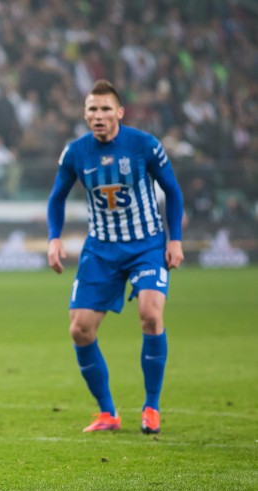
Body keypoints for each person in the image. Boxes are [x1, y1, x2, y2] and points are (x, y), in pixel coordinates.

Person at [46, 80, 184, 435]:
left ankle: (151, 407)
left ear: (120, 112)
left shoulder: (144, 145)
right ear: (85, 114)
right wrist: (54, 238)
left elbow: (172, 190)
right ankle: (108, 413)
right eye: (92, 109)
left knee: (151, 315)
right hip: (101, 249)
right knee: (79, 329)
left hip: (146, 245)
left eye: (106, 109)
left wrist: (175, 241)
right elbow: (56, 198)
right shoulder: (75, 152)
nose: (99, 116)